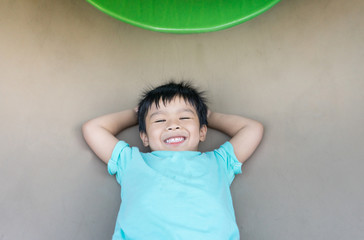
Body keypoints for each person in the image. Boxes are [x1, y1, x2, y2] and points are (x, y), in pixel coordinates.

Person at [82, 81, 264, 240]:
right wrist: (134, 114)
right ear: (144, 137)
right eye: (159, 120)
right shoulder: (132, 161)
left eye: (185, 117)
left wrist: (210, 117)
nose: (173, 124)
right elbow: (93, 129)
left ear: (202, 131)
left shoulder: (218, 162)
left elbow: (252, 129)